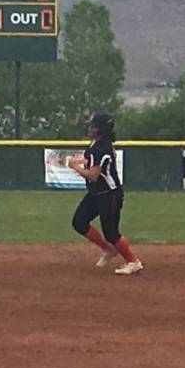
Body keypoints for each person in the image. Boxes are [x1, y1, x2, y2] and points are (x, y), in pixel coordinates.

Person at [68, 113, 143, 275]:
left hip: (110, 195)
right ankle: (108, 249)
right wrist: (83, 162)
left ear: (101, 130)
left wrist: (75, 167)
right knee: (79, 222)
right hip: (96, 193)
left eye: (93, 126)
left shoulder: (101, 147)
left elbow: (93, 175)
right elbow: (96, 161)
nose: (90, 128)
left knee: (111, 232)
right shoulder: (99, 144)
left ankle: (133, 261)